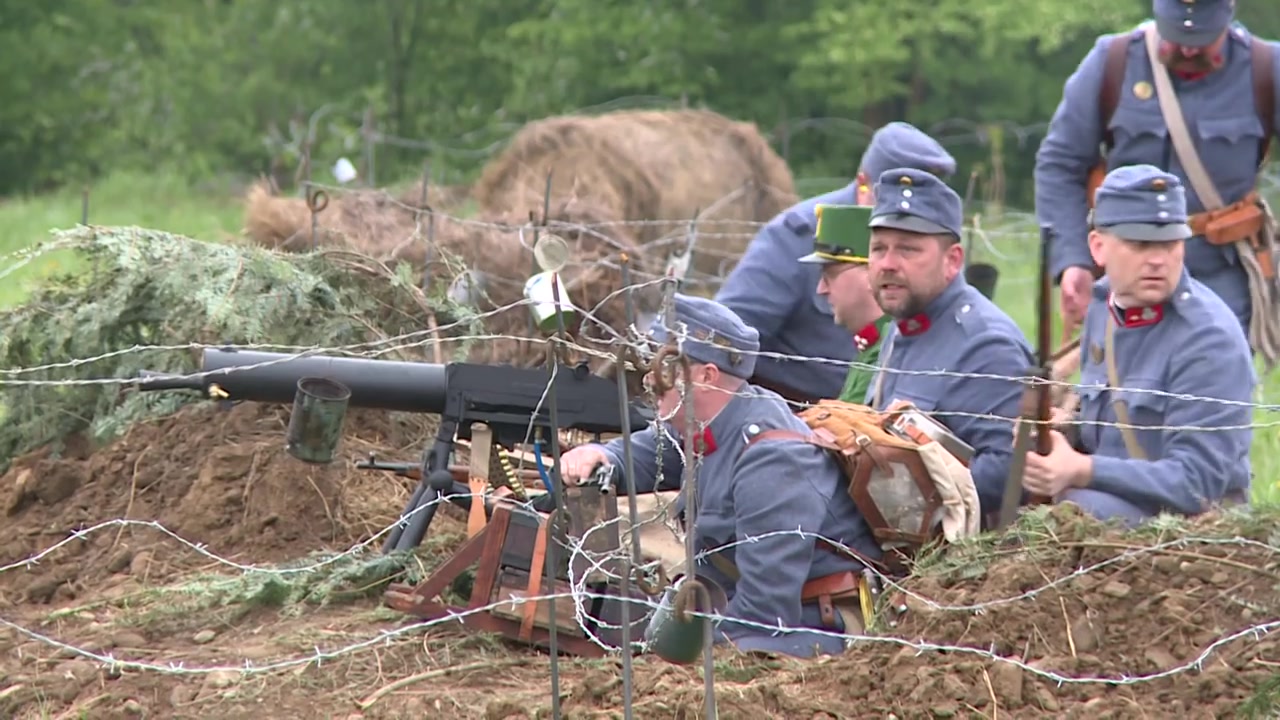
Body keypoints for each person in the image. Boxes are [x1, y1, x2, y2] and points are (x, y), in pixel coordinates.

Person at [556, 293, 882, 657]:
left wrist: (679, 659)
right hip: (740, 608)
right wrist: (603, 454)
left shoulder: (771, 460)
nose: (650, 378)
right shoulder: (711, 422)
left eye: (665, 368)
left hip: (814, 625)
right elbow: (659, 448)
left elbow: (765, 613)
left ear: (706, 376)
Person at [1035, 0, 1279, 359]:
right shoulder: (1113, 60)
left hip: (1220, 274)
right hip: (1125, 268)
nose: (1187, 48)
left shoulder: (1266, 67)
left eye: (1202, 38)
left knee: (1212, 393)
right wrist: (1074, 259)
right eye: (1176, 34)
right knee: (1119, 397)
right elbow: (1061, 162)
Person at [1020, 165, 1255, 526]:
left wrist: (1081, 469)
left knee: (1072, 514)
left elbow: (1199, 484)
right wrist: (1062, 431)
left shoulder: (1208, 338)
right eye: (1140, 244)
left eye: (1170, 243)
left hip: (1191, 526)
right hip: (1118, 500)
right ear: (1098, 247)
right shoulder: (1104, 308)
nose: (1158, 260)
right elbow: (1107, 425)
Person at [715, 122, 956, 406]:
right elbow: (727, 336)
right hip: (796, 412)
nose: (903, 220)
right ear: (864, 183)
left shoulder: (934, 247)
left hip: (897, 407)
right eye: (889, 201)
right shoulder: (798, 235)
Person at [863, 168, 1035, 519]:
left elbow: (1008, 475)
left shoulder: (984, 343)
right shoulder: (905, 322)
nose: (888, 264)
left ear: (952, 260)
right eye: (879, 249)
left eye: (908, 250)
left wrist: (896, 498)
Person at [796, 204, 887, 404]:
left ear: (871, 273)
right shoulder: (872, 344)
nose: (821, 289)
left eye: (830, 275)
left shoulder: (891, 348)